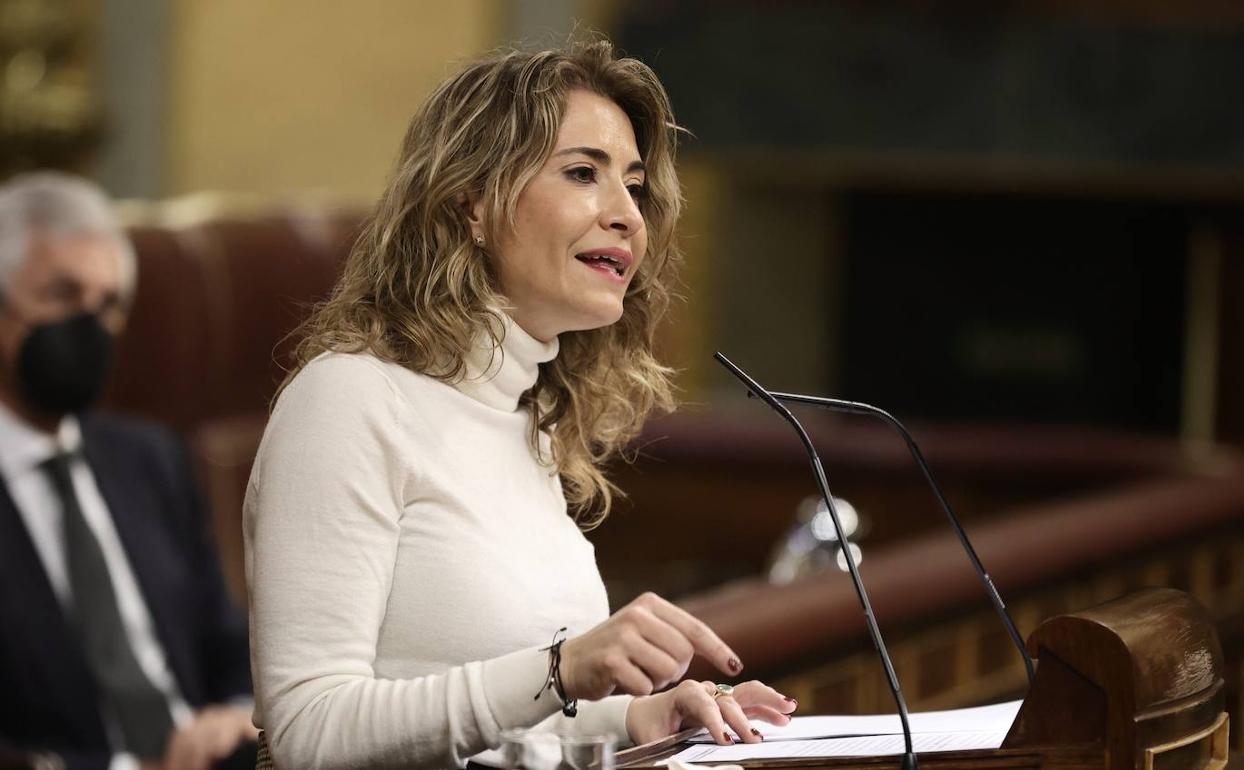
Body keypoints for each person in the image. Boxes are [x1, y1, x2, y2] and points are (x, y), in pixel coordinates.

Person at [244, 39, 797, 770]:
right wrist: (563, 669)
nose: (629, 215)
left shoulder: (524, 417)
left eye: (633, 185)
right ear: (471, 204)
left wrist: (636, 717)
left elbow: (499, 723)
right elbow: (308, 732)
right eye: (582, 174)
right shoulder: (351, 399)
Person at [0, 173, 257, 770]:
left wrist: (241, 712)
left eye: (108, 305)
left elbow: (225, 640)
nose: (88, 326)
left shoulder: (149, 459)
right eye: (62, 295)